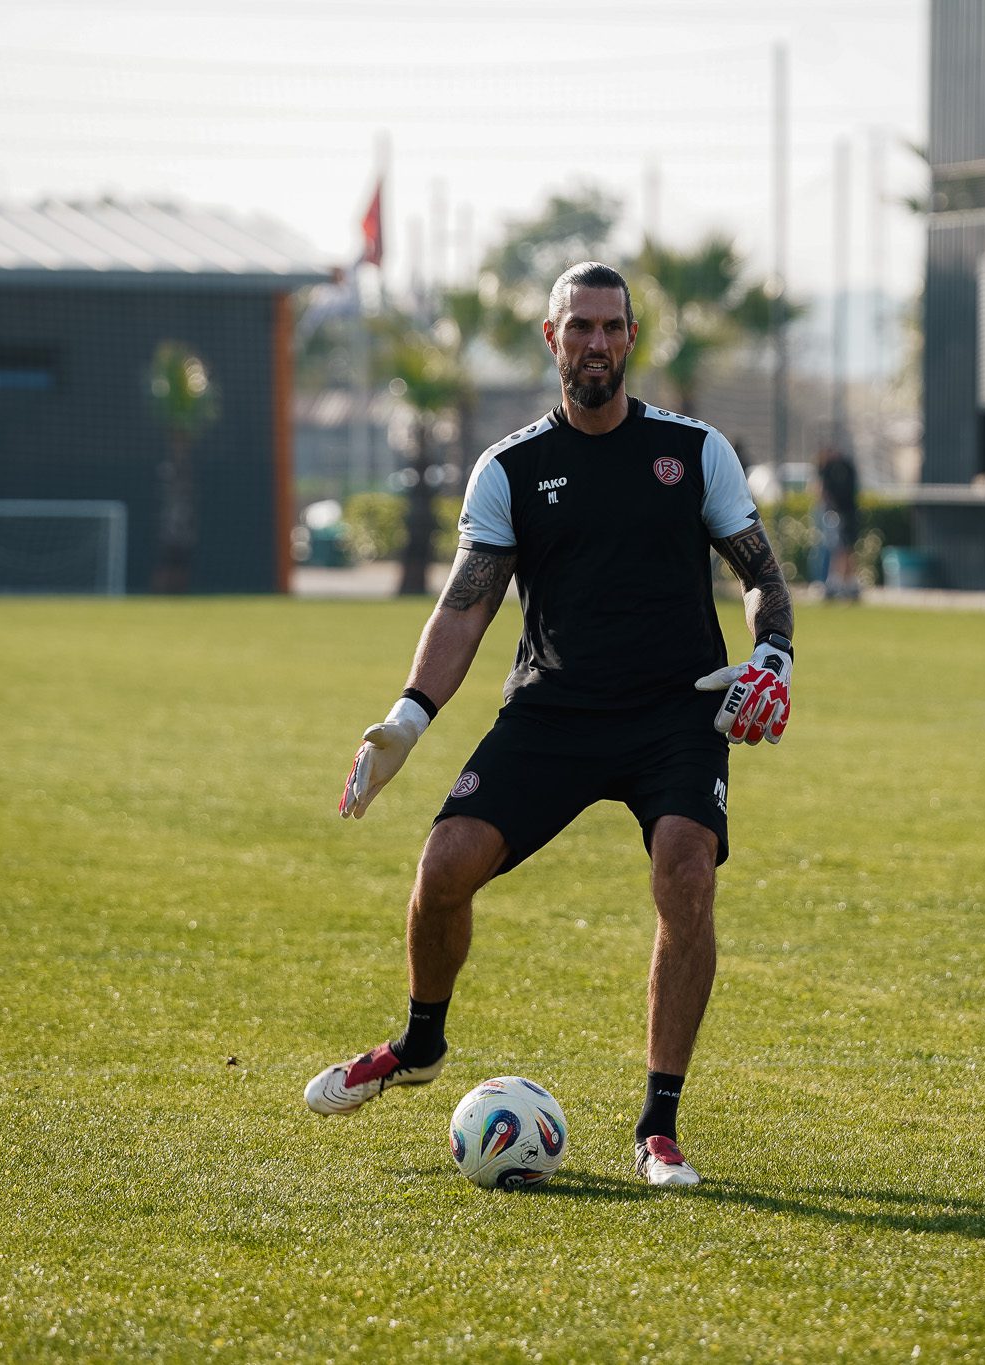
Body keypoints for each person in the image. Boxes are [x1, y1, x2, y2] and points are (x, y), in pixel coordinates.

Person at [305, 261, 796, 1188]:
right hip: (555, 710)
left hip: (677, 709)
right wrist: (407, 716)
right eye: (581, 328)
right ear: (551, 338)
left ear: (632, 339)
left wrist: (772, 654)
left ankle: (658, 1124)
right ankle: (419, 1044)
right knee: (443, 869)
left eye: (613, 328)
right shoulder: (511, 468)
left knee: (685, 873)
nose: (598, 344)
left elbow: (763, 573)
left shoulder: (694, 451)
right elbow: (465, 607)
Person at [814, 443, 862, 600]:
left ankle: (841, 583)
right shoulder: (829, 470)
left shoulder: (843, 469)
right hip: (836, 514)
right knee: (839, 548)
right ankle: (841, 583)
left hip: (843, 514)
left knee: (843, 548)